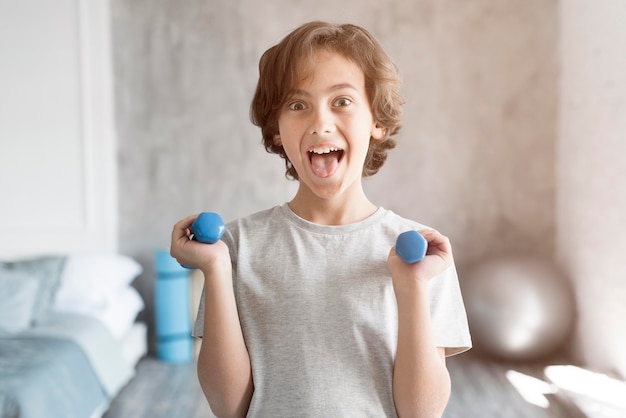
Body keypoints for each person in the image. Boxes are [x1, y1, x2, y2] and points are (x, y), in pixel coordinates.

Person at [171, 21, 471, 418]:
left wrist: (412, 286)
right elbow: (229, 407)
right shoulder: (238, 247)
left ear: (376, 121)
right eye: (298, 105)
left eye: (342, 101)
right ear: (277, 131)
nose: (320, 122)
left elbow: (422, 412)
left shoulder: (422, 253)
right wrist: (216, 269)